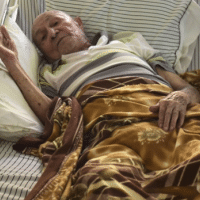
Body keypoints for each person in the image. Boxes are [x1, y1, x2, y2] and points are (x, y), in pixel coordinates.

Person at [0, 10, 199, 132]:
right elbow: (50, 115)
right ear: (44, 52)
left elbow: (190, 90)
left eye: (56, 23)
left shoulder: (126, 41)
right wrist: (12, 63)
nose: (52, 33)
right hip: (109, 128)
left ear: (78, 23)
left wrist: (180, 97)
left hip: (165, 112)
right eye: (42, 37)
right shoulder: (48, 74)